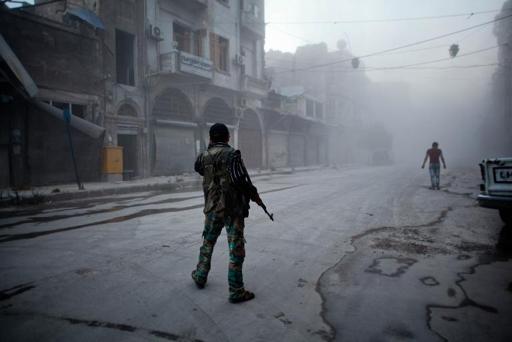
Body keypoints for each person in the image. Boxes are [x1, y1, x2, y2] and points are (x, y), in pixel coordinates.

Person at [191, 123, 263, 303]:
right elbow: (241, 180)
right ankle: (236, 290)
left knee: (207, 242)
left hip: (212, 208)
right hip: (232, 209)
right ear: (228, 137)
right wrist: (254, 196)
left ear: (210, 138)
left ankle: (200, 275)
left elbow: (198, 168)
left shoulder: (203, 157)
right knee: (236, 248)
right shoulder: (233, 155)